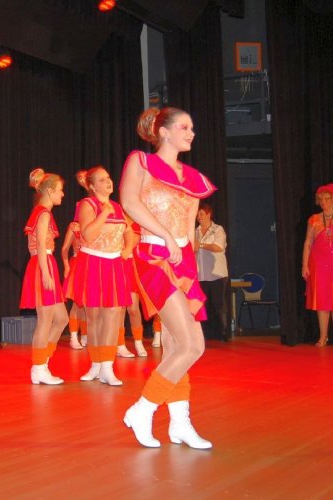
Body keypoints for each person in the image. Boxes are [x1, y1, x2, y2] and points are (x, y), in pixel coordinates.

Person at [120, 106, 216, 449]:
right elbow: (130, 203)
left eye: (192, 128)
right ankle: (143, 409)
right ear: (164, 132)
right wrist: (164, 235)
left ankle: (179, 422)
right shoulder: (140, 162)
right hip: (152, 256)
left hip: (181, 260)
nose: (192, 133)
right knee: (192, 345)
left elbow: (188, 231)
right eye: (184, 127)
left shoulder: (193, 178)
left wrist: (190, 270)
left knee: (178, 345)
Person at [65, 166, 133, 386]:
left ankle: (107, 366)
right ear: (92, 186)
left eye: (109, 178)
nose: (108, 182)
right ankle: (96, 364)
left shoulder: (118, 207)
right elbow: (87, 234)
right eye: (102, 180)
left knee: (113, 314)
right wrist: (104, 213)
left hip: (114, 264)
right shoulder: (87, 204)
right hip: (93, 263)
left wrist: (127, 248)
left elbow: (129, 232)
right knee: (94, 317)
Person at [20, 168, 69, 384]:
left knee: (62, 319)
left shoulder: (41, 212)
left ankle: (43, 362)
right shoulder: (44, 213)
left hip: (45, 263)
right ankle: (39, 368)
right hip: (43, 264)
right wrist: (46, 272)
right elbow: (40, 243)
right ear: (49, 191)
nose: (63, 194)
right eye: (60, 190)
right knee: (45, 320)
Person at [301, 184, 333, 346]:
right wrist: (304, 265)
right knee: (321, 299)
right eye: (320, 199)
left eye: (327, 199)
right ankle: (323, 336)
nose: (323, 202)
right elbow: (308, 243)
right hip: (319, 262)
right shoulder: (313, 219)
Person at [195, 202, 230, 342]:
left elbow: (218, 247)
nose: (199, 217)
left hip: (217, 274)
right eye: (197, 215)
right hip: (200, 274)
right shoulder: (195, 231)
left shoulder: (218, 229)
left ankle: (223, 332)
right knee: (202, 305)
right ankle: (203, 334)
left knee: (218, 304)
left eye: (202, 214)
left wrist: (200, 245)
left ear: (209, 214)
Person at [117, 215, 147, 357]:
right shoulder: (118, 220)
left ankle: (138, 342)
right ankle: (120, 344)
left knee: (134, 308)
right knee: (120, 309)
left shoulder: (139, 222)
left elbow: (137, 241)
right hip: (118, 264)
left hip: (132, 266)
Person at [61, 220, 87, 349]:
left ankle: (85, 335)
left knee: (88, 304)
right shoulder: (74, 226)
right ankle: (73, 337)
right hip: (78, 265)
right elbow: (65, 248)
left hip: (92, 265)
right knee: (77, 304)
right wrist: (66, 266)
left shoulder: (94, 223)